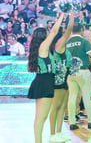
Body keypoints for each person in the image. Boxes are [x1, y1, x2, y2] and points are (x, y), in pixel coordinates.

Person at [27, 13, 65, 143]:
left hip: (44, 81)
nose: (50, 33)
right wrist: (62, 14)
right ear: (43, 36)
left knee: (41, 117)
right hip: (44, 82)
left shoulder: (42, 49)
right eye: (47, 32)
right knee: (41, 117)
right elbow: (54, 31)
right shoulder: (43, 47)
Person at [49, 14, 74, 142]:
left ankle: (59, 133)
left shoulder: (61, 44)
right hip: (58, 79)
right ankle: (52, 134)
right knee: (56, 107)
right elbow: (70, 29)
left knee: (62, 107)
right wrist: (72, 15)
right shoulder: (59, 43)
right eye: (64, 31)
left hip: (65, 78)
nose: (67, 33)